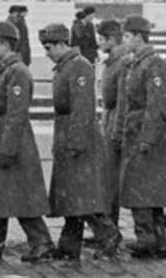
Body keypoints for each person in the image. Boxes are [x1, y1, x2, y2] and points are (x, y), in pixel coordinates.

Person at [39, 22, 119, 260]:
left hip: (79, 139)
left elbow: (82, 108)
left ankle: (109, 235)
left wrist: (74, 141)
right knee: (70, 195)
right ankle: (69, 243)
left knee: (82, 195)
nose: (47, 52)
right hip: (68, 135)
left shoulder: (79, 67)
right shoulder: (66, 67)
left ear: (63, 44)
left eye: (50, 47)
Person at [0, 20, 55, 262]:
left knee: (20, 195)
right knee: (4, 194)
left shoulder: (17, 72)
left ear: (5, 45)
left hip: (12, 141)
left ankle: (41, 242)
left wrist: (7, 148)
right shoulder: (6, 70)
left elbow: (16, 113)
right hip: (1, 138)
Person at [117, 14, 166, 258]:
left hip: (147, 135)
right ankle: (155, 239)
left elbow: (157, 104)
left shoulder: (153, 64)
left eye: (127, 36)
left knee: (143, 188)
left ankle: (148, 238)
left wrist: (148, 138)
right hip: (136, 131)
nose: (124, 41)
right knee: (145, 188)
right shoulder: (138, 63)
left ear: (139, 37)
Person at [96, 18, 131, 232]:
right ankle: (108, 227)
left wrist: (117, 132)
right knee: (107, 180)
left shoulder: (121, 63)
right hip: (109, 120)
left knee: (110, 181)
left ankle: (109, 229)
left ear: (111, 39)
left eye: (101, 39)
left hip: (115, 121)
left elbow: (122, 100)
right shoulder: (112, 61)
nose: (98, 43)